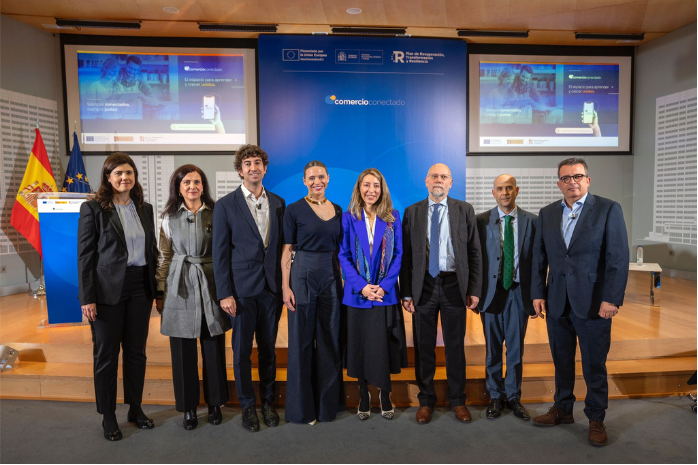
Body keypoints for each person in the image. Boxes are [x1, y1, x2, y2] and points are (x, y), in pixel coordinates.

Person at [531, 157, 629, 447]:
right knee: (561, 362)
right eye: (566, 178)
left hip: (594, 303)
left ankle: (596, 418)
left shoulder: (608, 209)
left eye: (577, 176)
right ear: (559, 182)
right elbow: (539, 257)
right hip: (557, 301)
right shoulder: (547, 213)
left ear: (588, 180)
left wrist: (611, 298)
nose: (572, 181)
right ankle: (562, 409)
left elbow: (618, 258)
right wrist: (538, 293)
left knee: (593, 365)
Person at [78, 152, 158, 441]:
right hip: (105, 292)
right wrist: (87, 298)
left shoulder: (145, 208)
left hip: (140, 288)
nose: (124, 178)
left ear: (134, 177)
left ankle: (135, 409)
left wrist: (157, 291)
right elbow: (85, 256)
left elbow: (152, 252)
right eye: (118, 173)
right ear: (108, 178)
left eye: (129, 173)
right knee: (107, 355)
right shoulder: (94, 209)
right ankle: (108, 416)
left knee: (136, 353)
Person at [400, 163, 482, 425]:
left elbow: (474, 253)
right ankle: (426, 400)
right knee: (424, 346)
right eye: (434, 176)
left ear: (451, 182)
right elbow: (406, 257)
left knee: (455, 347)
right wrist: (406, 293)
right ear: (426, 181)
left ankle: (458, 400)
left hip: (453, 286)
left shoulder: (464, 210)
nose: (439, 180)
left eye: (443, 176)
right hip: (422, 286)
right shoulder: (412, 212)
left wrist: (474, 289)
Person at [212, 145, 286, 432]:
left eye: (258, 162)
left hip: (271, 290)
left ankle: (268, 402)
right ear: (240, 170)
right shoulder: (225, 205)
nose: (253, 167)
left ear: (265, 168)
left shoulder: (279, 203)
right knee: (242, 352)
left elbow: (282, 249)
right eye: (247, 163)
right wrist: (224, 293)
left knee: (268, 350)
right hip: (240, 292)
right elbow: (220, 254)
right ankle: (247, 407)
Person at [156, 165, 230, 431]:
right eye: (186, 182)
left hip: (211, 282)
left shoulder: (216, 213)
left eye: (197, 182)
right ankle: (188, 407)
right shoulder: (168, 217)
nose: (192, 187)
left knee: (213, 346)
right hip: (180, 283)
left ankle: (214, 403)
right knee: (183, 350)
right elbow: (164, 256)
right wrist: (160, 290)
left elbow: (225, 252)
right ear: (178, 186)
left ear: (203, 186)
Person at [338, 168, 408, 421]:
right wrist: (361, 286)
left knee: (383, 345)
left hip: (384, 294)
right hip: (357, 295)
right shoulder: (348, 218)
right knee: (359, 346)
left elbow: (399, 253)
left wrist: (385, 285)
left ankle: (385, 394)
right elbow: (344, 255)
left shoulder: (393, 217)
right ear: (359, 188)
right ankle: (363, 395)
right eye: (366, 185)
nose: (371, 190)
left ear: (382, 189)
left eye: (376, 185)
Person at [282, 160, 344, 424]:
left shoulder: (339, 210)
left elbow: (341, 252)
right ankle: (302, 410)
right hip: (302, 277)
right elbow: (287, 251)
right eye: (311, 177)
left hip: (331, 276)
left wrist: (343, 281)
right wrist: (285, 287)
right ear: (304, 181)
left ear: (328, 179)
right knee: (301, 341)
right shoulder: (293, 209)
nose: (316, 181)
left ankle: (327, 407)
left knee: (330, 340)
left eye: (321, 176)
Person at [475, 174, 537, 420]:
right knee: (492, 350)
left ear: (516, 190)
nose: (504, 192)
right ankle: (494, 396)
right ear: (493, 192)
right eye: (500, 188)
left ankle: (513, 397)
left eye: (509, 188)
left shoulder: (532, 221)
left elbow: (538, 262)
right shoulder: (480, 221)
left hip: (518, 294)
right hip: (490, 295)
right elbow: (475, 261)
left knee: (515, 349)